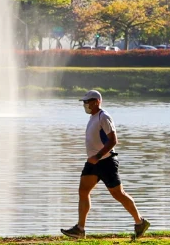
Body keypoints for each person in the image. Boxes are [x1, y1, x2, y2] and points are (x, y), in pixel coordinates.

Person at [61, 90, 150, 240]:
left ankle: (140, 222)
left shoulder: (104, 116)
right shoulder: (93, 117)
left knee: (118, 194)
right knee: (83, 191)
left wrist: (98, 156)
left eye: (87, 102)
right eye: (84, 102)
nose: (85, 105)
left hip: (106, 162)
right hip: (92, 162)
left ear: (96, 101)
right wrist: (94, 158)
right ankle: (80, 229)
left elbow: (113, 140)